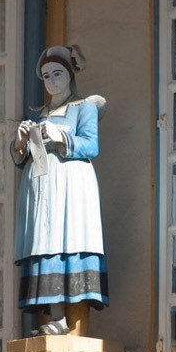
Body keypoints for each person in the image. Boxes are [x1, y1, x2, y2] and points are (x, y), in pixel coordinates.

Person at [12, 45, 108, 335]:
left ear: (69, 75)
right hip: (42, 187)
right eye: (46, 76)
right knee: (45, 242)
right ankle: (56, 316)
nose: (52, 80)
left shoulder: (83, 107)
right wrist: (19, 142)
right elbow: (22, 157)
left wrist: (60, 135)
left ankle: (69, 320)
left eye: (57, 73)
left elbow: (91, 145)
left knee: (69, 238)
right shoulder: (39, 113)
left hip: (70, 183)